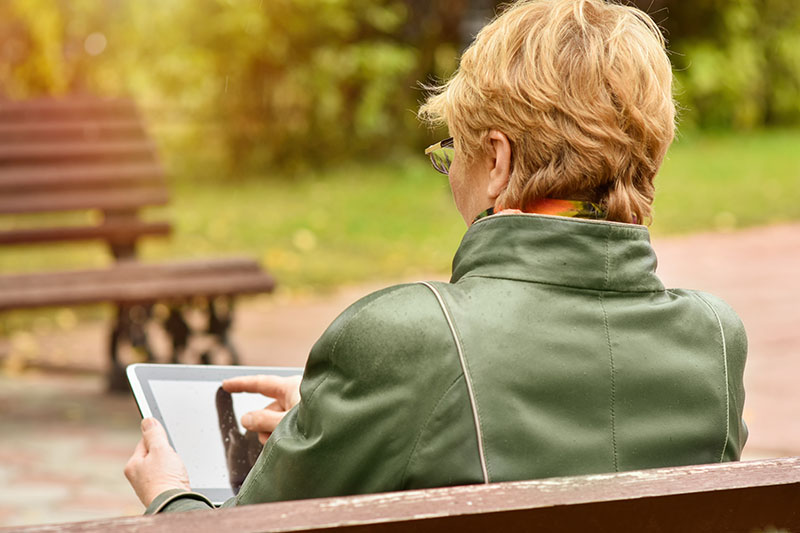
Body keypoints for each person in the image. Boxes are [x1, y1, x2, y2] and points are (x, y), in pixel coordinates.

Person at [125, 0, 747, 514]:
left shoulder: (408, 340)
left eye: (455, 150)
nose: (451, 172)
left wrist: (168, 496)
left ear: (499, 162)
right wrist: (339, 417)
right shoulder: (715, 341)